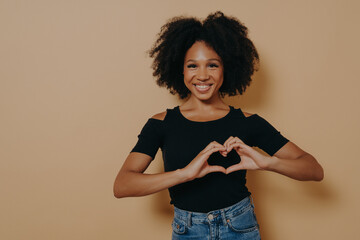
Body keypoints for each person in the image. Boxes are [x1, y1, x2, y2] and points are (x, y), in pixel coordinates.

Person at [113, 11, 324, 240]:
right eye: (193, 65)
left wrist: (268, 162)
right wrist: (185, 174)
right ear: (180, 69)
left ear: (227, 68)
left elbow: (313, 169)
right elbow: (123, 185)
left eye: (212, 65)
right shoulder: (161, 123)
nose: (202, 75)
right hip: (188, 231)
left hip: (240, 228)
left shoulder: (247, 121)